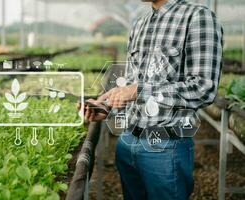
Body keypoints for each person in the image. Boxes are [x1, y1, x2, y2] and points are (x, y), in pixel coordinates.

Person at [82, 0, 223, 199]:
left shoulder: (197, 17)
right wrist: (107, 108)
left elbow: (203, 88)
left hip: (165, 147)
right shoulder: (140, 23)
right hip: (128, 141)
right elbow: (132, 84)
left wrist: (139, 90)